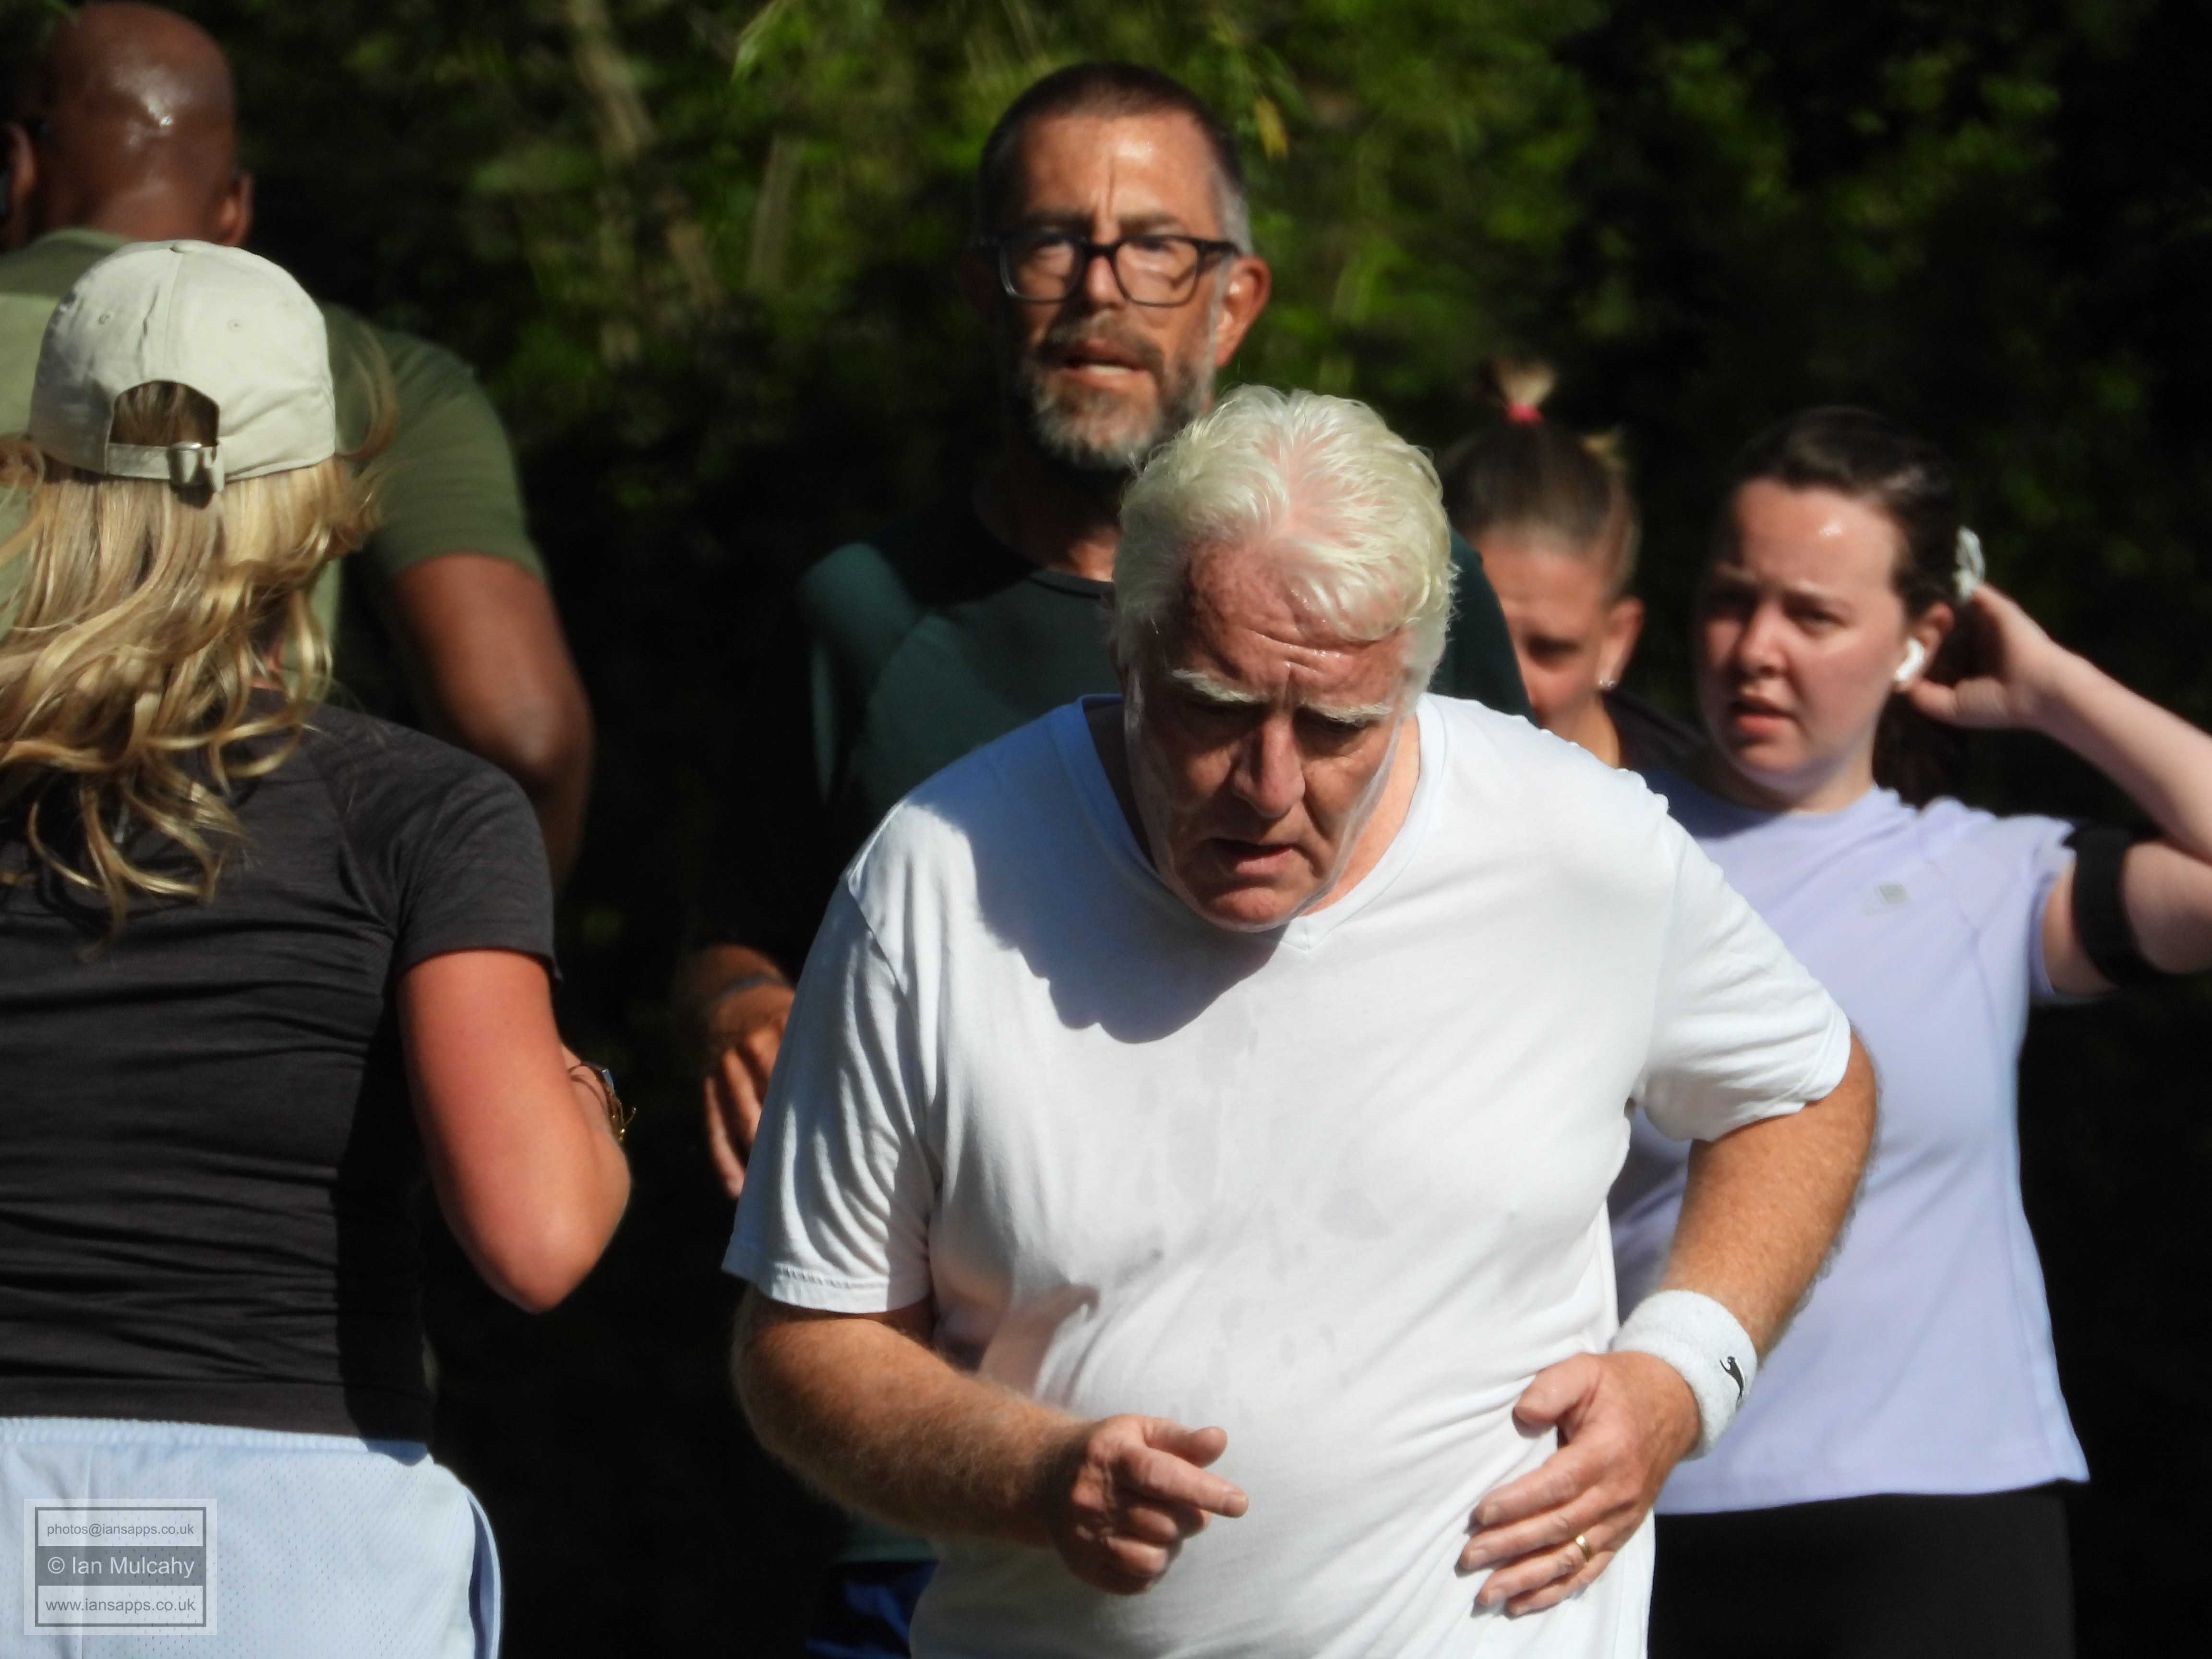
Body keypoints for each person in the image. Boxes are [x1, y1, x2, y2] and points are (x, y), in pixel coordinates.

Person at [728, 384, 1879, 1659]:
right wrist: (1035, 1476)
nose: (1269, 786)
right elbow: (808, 1342)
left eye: (1337, 727)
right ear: (1125, 647)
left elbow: (1811, 1087)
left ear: (1416, 685)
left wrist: (1684, 1370)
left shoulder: (1574, 846)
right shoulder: (938, 880)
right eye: (1215, 707)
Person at [676, 62, 1527, 1652]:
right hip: (944, 1492)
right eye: (1050, 242)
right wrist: (737, 1006)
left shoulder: (1408, 600)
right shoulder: (864, 616)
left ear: (1236, 298)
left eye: (1155, 247)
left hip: (1364, 1499)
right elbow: (737, 928)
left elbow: (1527, 945)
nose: (1098, 288)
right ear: (981, 286)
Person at [0, 240, 628, 1655]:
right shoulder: (422, 813)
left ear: (36, 472)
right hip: (292, 1552)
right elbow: (538, 1238)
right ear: (327, 501)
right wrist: (590, 1106)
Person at [1609, 407, 2212, 1658]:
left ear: (1919, 637)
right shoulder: (1597, 840)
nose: (1757, 650)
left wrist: (2051, 691)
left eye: (1815, 615)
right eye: (1731, 599)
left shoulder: (1984, 877)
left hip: (1942, 1524)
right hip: (1638, 1510)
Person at [0, 1, 593, 878]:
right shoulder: (376, 373)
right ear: (235, 207)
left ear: (13, 166)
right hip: (236, 880)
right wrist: (480, 932)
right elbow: (522, 734)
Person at [1442, 357, 1694, 770]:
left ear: (1616, 641)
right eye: (1474, 641)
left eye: (1550, 650)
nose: (1509, 686)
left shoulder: (1683, 804)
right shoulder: (1354, 782)